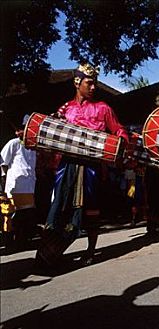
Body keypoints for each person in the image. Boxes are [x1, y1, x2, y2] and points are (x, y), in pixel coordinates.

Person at [37, 63, 128, 267]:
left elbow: (119, 130)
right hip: (66, 165)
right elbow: (51, 133)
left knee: (91, 208)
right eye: (90, 83)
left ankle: (91, 249)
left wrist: (121, 140)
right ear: (77, 83)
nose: (94, 87)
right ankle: (53, 251)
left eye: (95, 83)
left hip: (91, 167)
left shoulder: (103, 108)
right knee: (59, 207)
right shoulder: (65, 109)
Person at [0, 115, 37, 249]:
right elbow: (3, 163)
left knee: (25, 216)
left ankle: (23, 241)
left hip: (28, 186)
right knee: (11, 217)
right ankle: (9, 243)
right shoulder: (13, 144)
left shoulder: (33, 146)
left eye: (21, 129)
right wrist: (3, 187)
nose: (18, 132)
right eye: (17, 130)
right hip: (15, 187)